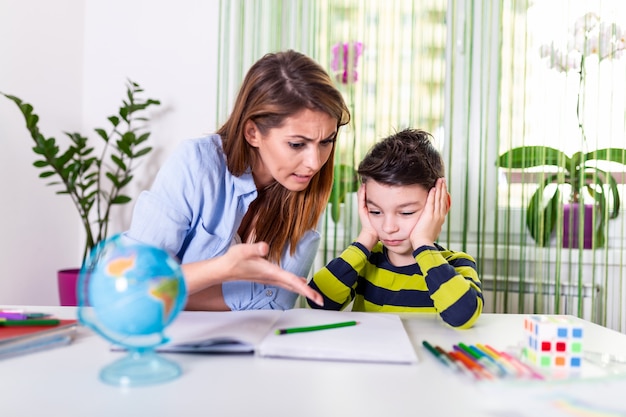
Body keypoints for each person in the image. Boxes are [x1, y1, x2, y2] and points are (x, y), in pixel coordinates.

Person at [125, 50, 350, 310]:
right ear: (253, 132)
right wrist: (221, 270)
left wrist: (174, 290)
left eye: (327, 141)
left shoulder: (305, 188)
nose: (314, 162)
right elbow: (134, 286)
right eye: (297, 144)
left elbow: (274, 305)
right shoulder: (197, 165)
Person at [308, 128, 483, 328]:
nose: (388, 227)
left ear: (442, 204)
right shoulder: (365, 261)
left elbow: (463, 316)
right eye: (375, 212)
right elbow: (318, 302)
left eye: (406, 213)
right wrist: (366, 236)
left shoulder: (456, 264)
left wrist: (423, 244)